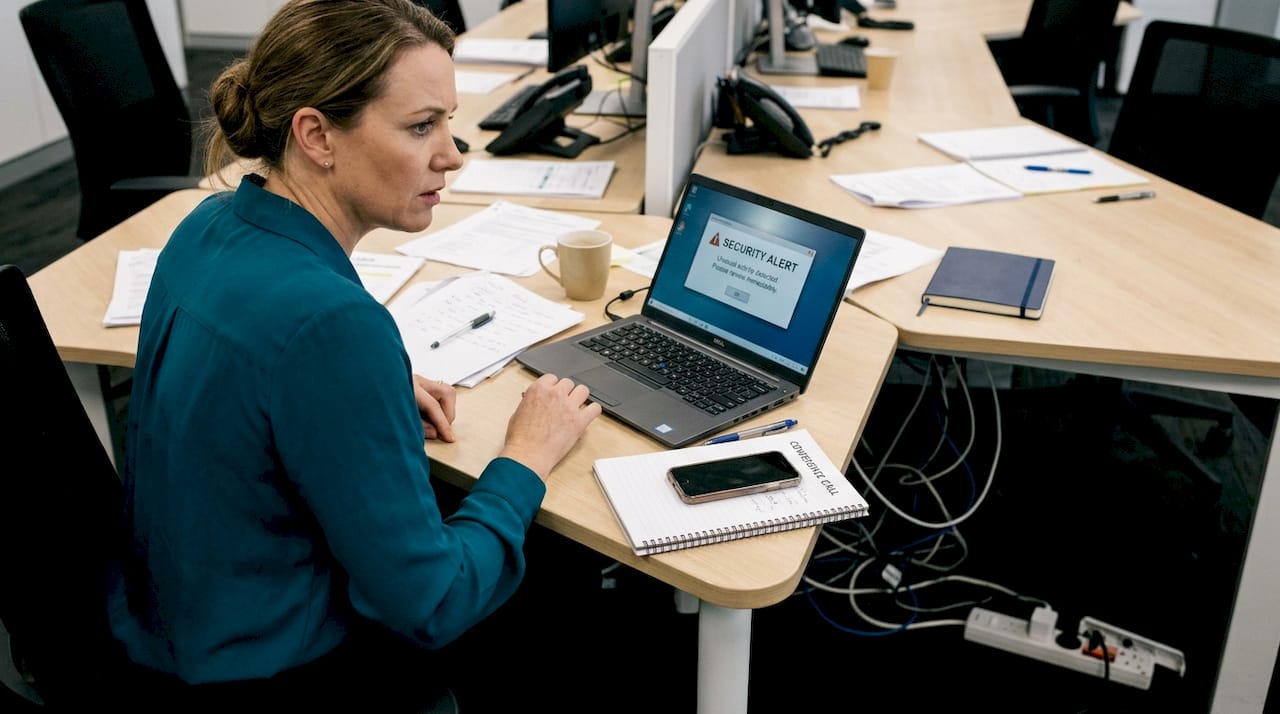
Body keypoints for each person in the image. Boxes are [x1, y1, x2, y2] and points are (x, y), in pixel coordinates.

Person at [106, 0, 601, 708]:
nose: (452, 155)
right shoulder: (331, 324)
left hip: (173, 630)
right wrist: (526, 455)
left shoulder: (209, 223)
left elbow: (252, 386)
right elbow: (431, 605)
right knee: (563, 577)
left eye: (450, 122)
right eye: (421, 126)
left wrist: (369, 390)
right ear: (316, 135)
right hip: (283, 680)